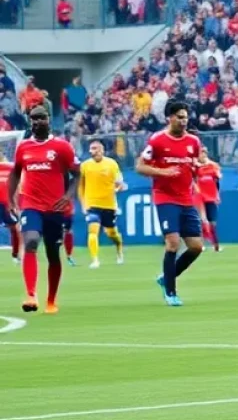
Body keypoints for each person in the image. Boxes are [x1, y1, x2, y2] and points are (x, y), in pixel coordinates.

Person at [9, 105, 80, 312]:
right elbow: (15, 173)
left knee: (52, 254)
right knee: (30, 241)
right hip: (30, 204)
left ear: (49, 119)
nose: (37, 121)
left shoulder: (62, 147)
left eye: (41, 118)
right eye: (33, 118)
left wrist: (68, 196)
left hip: (55, 208)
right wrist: (12, 200)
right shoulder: (23, 147)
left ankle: (51, 300)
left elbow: (77, 173)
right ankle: (31, 294)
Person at [135, 99, 204, 306]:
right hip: (165, 198)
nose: (184, 121)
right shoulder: (156, 141)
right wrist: (163, 172)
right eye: (180, 117)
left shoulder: (193, 141)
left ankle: (167, 277)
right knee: (173, 243)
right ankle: (171, 293)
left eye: (186, 117)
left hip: (186, 198)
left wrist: (197, 171)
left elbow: (194, 165)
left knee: (196, 247)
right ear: (170, 118)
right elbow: (140, 167)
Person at [78, 139, 126, 268]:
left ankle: (119, 249)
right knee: (93, 230)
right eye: (91, 149)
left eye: (95, 148)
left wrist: (120, 186)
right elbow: (80, 187)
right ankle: (95, 260)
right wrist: (83, 204)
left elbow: (119, 182)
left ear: (102, 150)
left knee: (112, 234)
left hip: (109, 205)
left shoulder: (111, 164)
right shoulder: (85, 166)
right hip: (92, 205)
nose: (92, 151)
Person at [196, 146, 222, 252]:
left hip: (211, 197)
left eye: (204, 153)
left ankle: (216, 245)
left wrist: (217, 195)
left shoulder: (213, 166)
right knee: (202, 220)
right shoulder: (195, 167)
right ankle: (200, 245)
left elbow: (218, 180)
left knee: (212, 223)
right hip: (199, 197)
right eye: (201, 153)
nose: (203, 155)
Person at [0, 154, 20, 262]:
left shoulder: (10, 168)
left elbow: (16, 186)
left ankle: (15, 255)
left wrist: (15, 204)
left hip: (6, 204)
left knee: (15, 228)